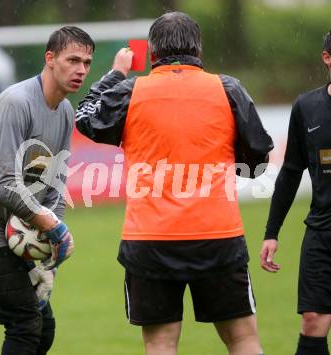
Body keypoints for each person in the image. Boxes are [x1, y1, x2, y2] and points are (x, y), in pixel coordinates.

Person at [76, 12, 273, 355]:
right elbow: (258, 157)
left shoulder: (130, 90)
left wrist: (116, 73)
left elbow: (85, 118)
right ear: (199, 49)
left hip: (150, 239)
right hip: (217, 235)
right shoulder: (227, 87)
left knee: (161, 343)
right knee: (243, 339)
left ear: (151, 52)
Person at [0, 26, 94, 355]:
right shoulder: (16, 103)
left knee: (43, 328)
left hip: (6, 227)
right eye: (73, 60)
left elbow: (53, 185)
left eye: (87, 62)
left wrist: (48, 256)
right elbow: (3, 183)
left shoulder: (65, 112)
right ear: (50, 59)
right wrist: (50, 226)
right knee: (25, 325)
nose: (81, 69)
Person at [260, 31, 331, 355]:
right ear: (327, 58)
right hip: (322, 231)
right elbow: (290, 173)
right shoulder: (308, 107)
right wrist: (271, 232)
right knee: (313, 320)